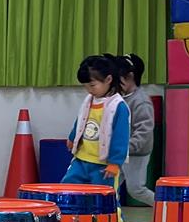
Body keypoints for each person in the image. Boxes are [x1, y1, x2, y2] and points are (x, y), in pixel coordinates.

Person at [63, 53, 131, 195]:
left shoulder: (118, 106)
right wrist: (72, 137)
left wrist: (115, 163)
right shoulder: (89, 100)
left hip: (103, 166)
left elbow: (121, 137)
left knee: (104, 198)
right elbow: (81, 120)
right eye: (85, 86)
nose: (89, 90)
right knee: (67, 191)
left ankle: (114, 212)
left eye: (92, 85)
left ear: (108, 79)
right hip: (81, 160)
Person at [118, 53, 155, 206]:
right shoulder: (121, 97)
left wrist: (128, 146)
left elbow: (144, 131)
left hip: (135, 154)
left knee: (136, 189)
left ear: (130, 77)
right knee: (109, 187)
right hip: (121, 152)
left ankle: (165, 207)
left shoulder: (141, 101)